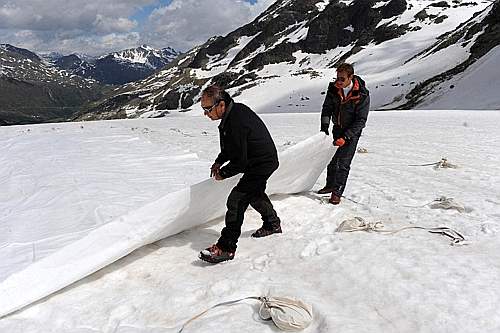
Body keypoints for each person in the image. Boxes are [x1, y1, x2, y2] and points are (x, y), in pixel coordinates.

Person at [199, 85, 282, 264]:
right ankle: (273, 224)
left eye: (208, 109)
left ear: (221, 105)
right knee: (254, 193)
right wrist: (219, 161)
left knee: (237, 200)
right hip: (258, 161)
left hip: (261, 163)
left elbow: (240, 160)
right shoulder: (231, 114)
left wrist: (224, 173)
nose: (206, 114)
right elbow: (231, 148)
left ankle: (226, 248)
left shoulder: (237, 120)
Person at [318, 63, 370, 205]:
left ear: (350, 77)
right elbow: (327, 108)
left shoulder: (362, 94)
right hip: (337, 128)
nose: (338, 82)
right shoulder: (334, 89)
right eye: (337, 78)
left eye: (342, 79)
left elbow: (361, 121)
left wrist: (346, 137)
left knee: (343, 163)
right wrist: (324, 127)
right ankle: (330, 185)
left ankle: (337, 193)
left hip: (352, 132)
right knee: (332, 159)